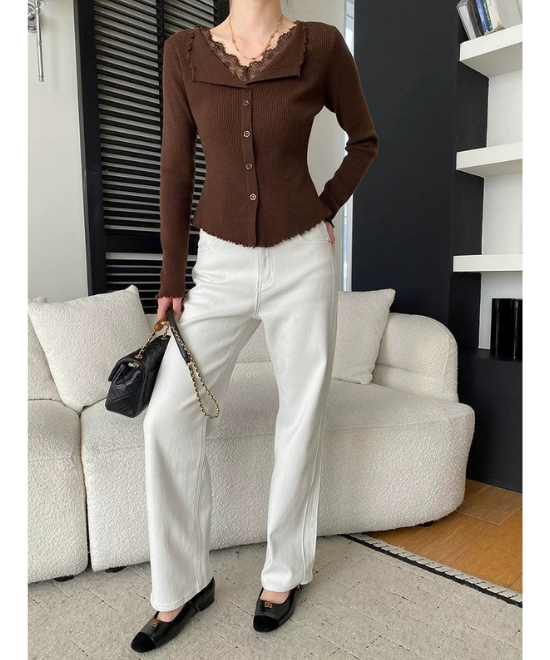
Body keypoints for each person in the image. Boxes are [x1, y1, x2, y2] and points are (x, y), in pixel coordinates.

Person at [131, 0, 378, 652]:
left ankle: (283, 574)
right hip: (219, 263)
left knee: (300, 414)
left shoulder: (322, 45)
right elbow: (176, 165)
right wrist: (171, 278)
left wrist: (325, 207)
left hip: (303, 258)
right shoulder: (184, 52)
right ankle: (182, 584)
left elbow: (364, 141)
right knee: (167, 418)